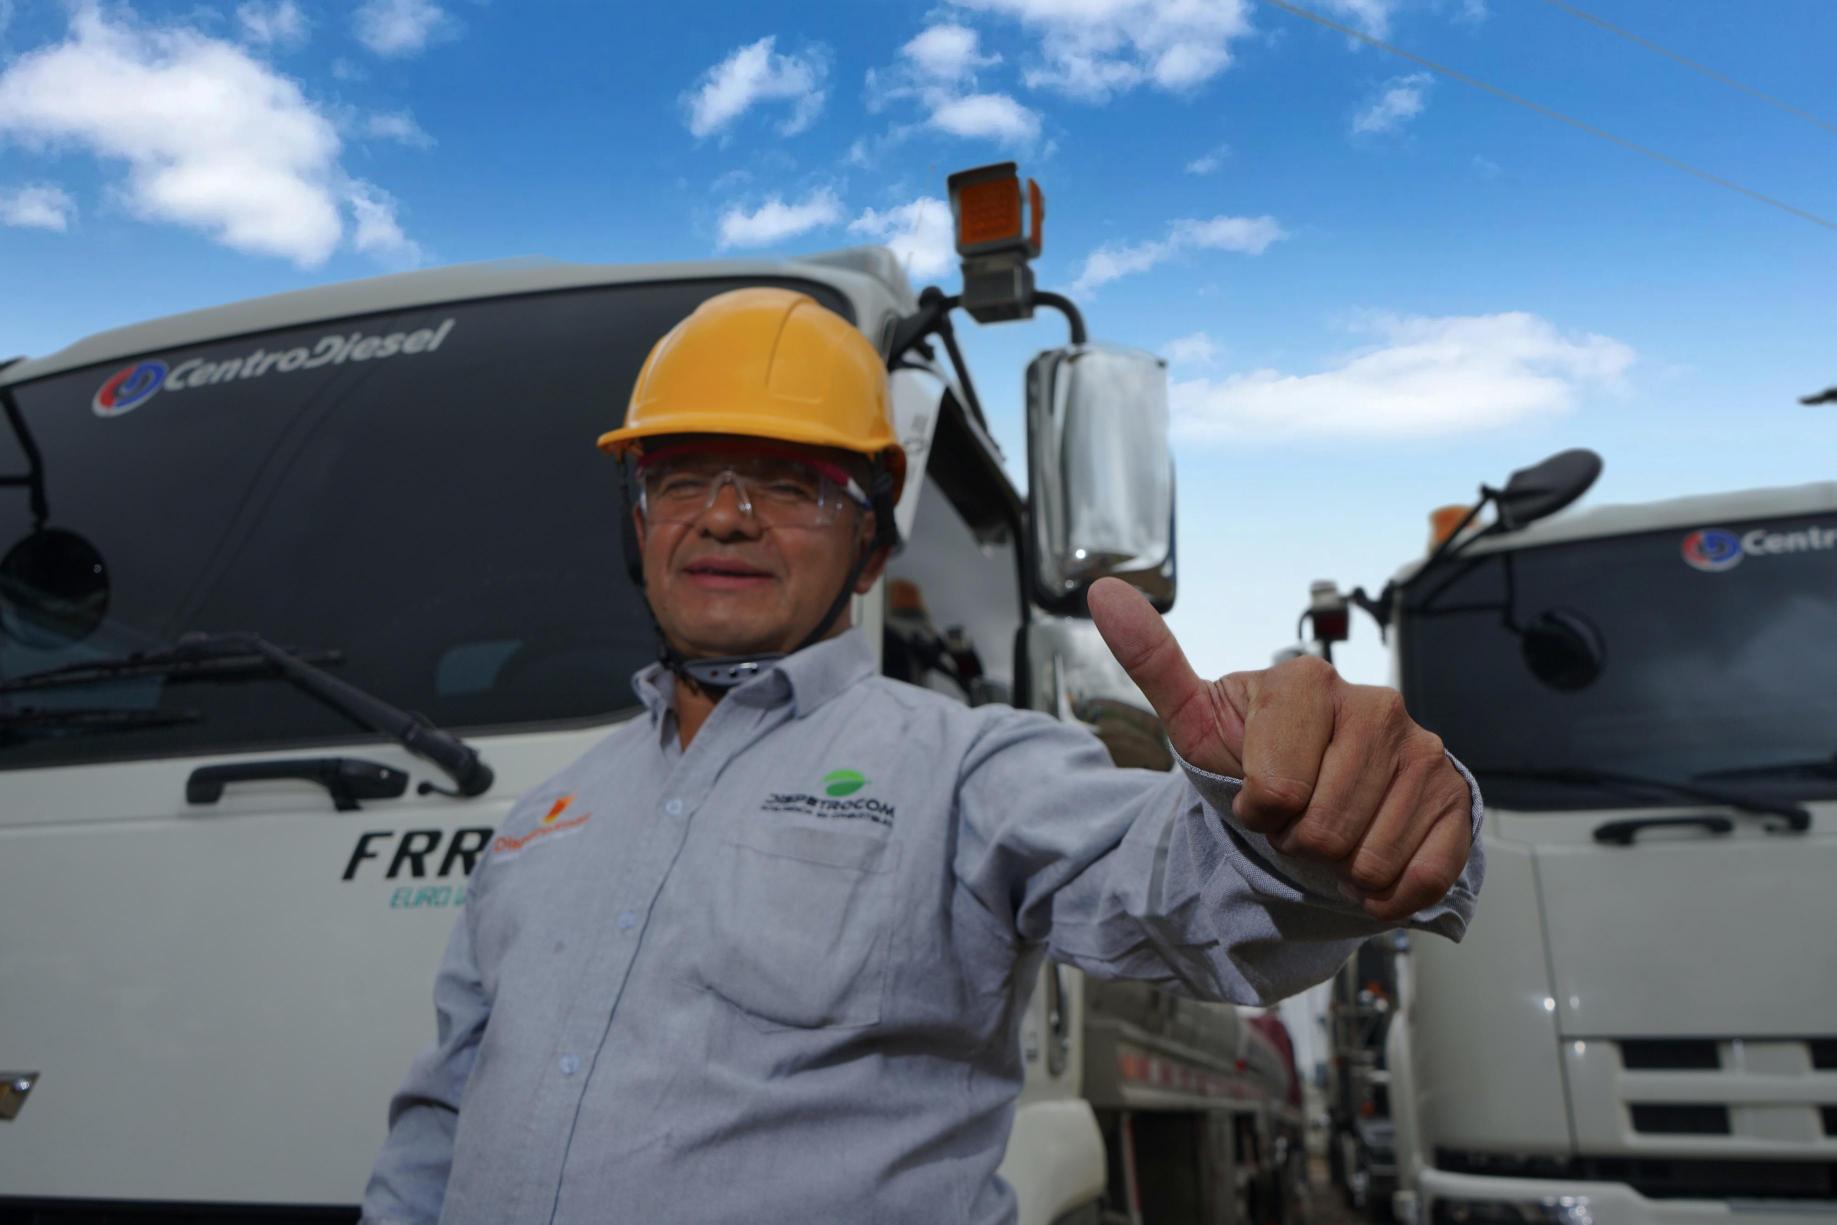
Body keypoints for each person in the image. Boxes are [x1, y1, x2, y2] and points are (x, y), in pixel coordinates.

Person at [361, 288, 1484, 1225]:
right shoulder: (544, 818)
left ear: (868, 544)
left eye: (789, 483)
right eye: (683, 477)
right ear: (637, 521)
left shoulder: (970, 767)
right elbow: (442, 1119)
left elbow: (1171, 879)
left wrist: (1309, 820)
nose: (727, 516)